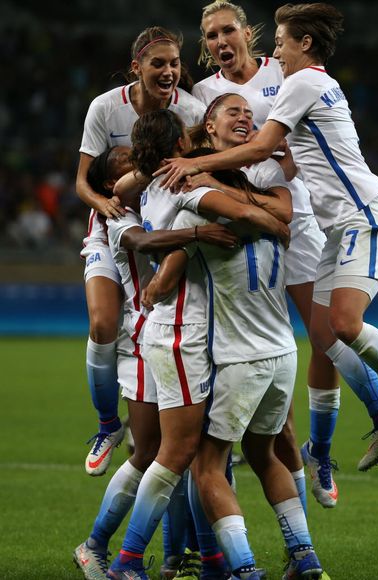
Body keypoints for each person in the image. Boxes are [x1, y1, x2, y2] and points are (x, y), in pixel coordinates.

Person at [156, 3, 378, 472]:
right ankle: (335, 442)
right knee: (327, 336)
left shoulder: (299, 81)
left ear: (301, 44)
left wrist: (197, 165)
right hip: (331, 225)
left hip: (354, 216)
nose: (277, 50)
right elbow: (278, 143)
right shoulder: (291, 85)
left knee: (343, 325)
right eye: (210, 35)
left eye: (281, 41)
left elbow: (264, 144)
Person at [106, 110, 290, 580]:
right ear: (182, 148)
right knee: (182, 452)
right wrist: (276, 222)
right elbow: (243, 215)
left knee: (197, 455)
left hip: (193, 335)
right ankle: (126, 559)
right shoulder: (183, 189)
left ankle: (205, 561)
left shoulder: (152, 187)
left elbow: (129, 194)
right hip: (183, 333)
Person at [137, 162, 325, 579]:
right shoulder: (274, 218)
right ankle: (304, 555)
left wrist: (154, 287)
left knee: (207, 466)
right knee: (265, 454)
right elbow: (272, 217)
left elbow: (164, 282)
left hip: (242, 358)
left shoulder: (200, 214)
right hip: (284, 353)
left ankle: (243, 569)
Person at [192, 0, 340, 509]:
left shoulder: (287, 71)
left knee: (326, 337)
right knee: (266, 367)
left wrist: (290, 158)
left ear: (247, 33)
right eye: (210, 35)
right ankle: (285, 492)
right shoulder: (201, 94)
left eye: (227, 30)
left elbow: (305, 145)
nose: (219, 41)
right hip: (241, 233)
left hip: (294, 222)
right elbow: (192, 152)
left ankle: (319, 453)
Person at [73, 145, 237, 580]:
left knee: (182, 454)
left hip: (171, 333)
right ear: (112, 184)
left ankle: (184, 558)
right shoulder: (115, 215)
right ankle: (98, 546)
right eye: (128, 163)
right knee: (156, 453)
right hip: (148, 337)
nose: (141, 166)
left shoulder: (153, 199)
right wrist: (198, 234)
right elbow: (146, 242)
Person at [76, 25, 206, 476]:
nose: (169, 71)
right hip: (112, 224)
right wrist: (106, 202)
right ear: (137, 68)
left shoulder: (191, 109)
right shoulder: (105, 108)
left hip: (163, 227)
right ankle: (108, 425)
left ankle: (196, 424)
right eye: (158, 64)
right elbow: (82, 181)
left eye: (174, 64)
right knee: (103, 322)